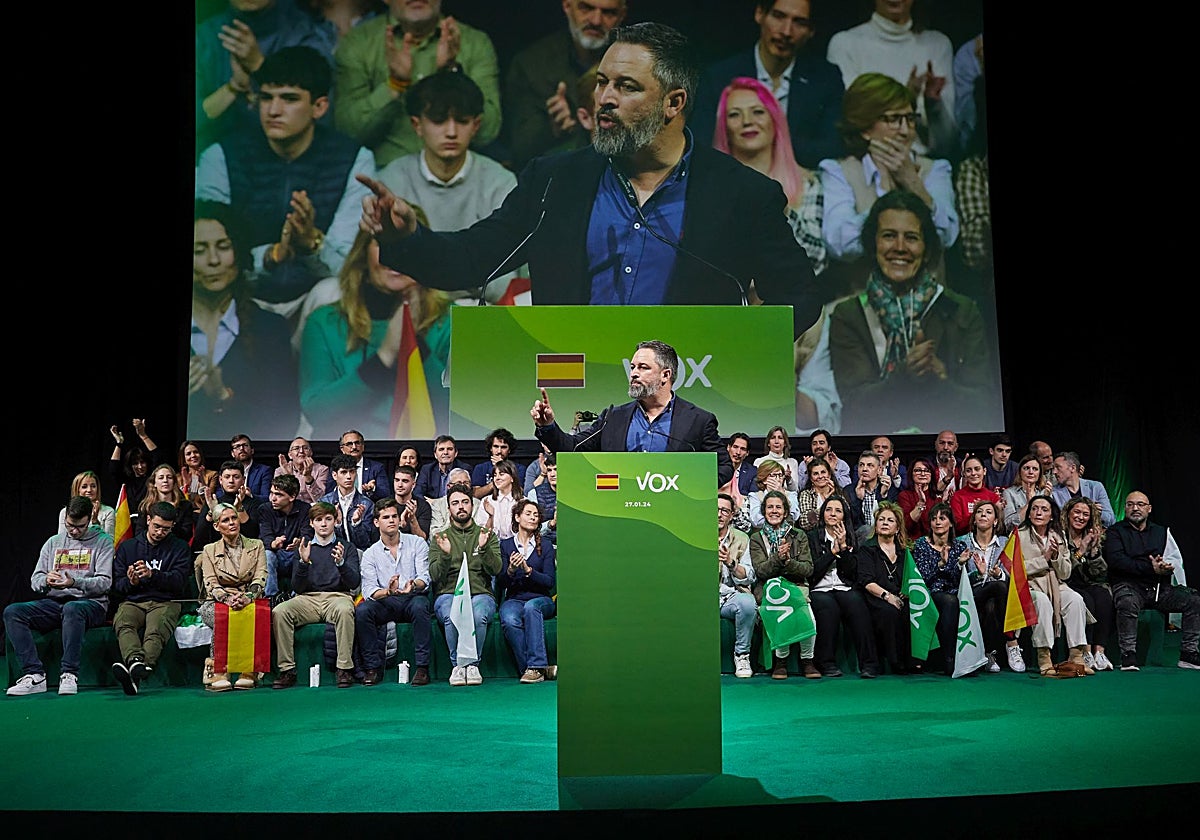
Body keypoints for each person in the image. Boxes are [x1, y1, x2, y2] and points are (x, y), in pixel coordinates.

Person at [358, 21, 822, 341]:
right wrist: (407, 238)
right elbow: (471, 260)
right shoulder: (555, 182)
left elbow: (800, 295)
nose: (604, 99)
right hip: (573, 405)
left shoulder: (742, 195)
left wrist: (741, 348)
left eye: (626, 87)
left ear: (674, 102)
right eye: (602, 82)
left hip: (691, 419)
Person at [196, 43, 376, 310]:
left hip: (312, 299)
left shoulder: (353, 159)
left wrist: (311, 244)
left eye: (289, 99)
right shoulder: (221, 156)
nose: (273, 111)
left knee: (335, 291)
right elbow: (207, 259)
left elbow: (349, 265)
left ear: (320, 107)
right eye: (266, 98)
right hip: (241, 297)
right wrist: (271, 255)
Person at [824, 191, 994, 434]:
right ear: (873, 245)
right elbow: (855, 404)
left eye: (911, 237)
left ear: (926, 249)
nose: (900, 248)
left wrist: (941, 382)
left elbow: (984, 405)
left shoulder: (962, 310)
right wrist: (903, 377)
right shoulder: (849, 315)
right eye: (889, 236)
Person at [376, 70, 520, 298]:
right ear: (417, 125)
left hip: (478, 311)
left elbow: (506, 281)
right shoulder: (392, 180)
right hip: (406, 306)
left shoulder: (500, 183)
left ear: (476, 125)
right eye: (438, 120)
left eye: (461, 121)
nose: (451, 132)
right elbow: (378, 269)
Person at [298, 225, 453, 438]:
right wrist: (385, 355)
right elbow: (318, 411)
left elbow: (459, 417)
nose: (395, 254)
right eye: (383, 243)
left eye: (407, 243)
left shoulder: (448, 322)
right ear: (363, 255)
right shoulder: (324, 323)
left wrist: (416, 345)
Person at [531, 339, 735, 488]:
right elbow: (572, 449)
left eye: (643, 367)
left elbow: (724, 467)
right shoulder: (612, 418)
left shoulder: (698, 420)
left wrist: (692, 487)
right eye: (632, 367)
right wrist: (547, 426)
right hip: (619, 514)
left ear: (665, 375)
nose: (634, 373)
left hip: (675, 518)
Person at [334, 0, 502, 168]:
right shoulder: (357, 43)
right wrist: (395, 85)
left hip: (457, 177)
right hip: (384, 177)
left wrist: (451, 74)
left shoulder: (474, 43)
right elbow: (348, 134)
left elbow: (487, 133)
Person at [190, 200, 299, 440]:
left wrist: (222, 396)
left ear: (238, 252)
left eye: (223, 246)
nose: (213, 260)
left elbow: (284, 422)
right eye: (199, 250)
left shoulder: (270, 329)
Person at [693, 0, 843, 170]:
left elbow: (832, 146)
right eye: (778, 16)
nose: (786, 31)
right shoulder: (719, 76)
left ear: (811, 31)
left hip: (801, 182)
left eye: (799, 22)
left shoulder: (825, 79)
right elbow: (701, 144)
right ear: (760, 14)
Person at [710, 76, 826, 276]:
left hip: (787, 298)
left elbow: (816, 257)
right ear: (724, 128)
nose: (747, 122)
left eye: (758, 112)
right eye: (735, 115)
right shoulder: (709, 186)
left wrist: (780, 208)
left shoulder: (808, 183)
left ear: (775, 119)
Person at [195, 0, 338, 159]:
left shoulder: (307, 35)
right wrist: (233, 87)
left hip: (290, 163)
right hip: (215, 163)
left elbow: (322, 121)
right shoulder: (204, 37)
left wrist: (259, 67)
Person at [5, 497, 113, 697]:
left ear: (89, 520)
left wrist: (74, 582)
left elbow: (105, 583)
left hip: (91, 604)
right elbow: (35, 579)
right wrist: (46, 580)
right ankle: (34, 675)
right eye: (70, 525)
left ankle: (69, 673)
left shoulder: (103, 542)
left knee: (72, 609)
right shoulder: (53, 542)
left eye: (80, 527)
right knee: (13, 612)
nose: (74, 531)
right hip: (55, 602)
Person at [825, 0, 957, 159]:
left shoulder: (937, 45)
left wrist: (933, 104)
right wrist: (907, 100)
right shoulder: (845, 44)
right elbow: (853, 124)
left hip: (924, 166)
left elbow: (948, 145)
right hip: (866, 163)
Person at [505, 0, 627, 169]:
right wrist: (551, 129)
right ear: (567, 6)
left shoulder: (634, 62)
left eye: (608, 13)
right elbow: (518, 149)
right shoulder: (532, 63)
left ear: (621, 15)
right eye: (586, 8)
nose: (596, 20)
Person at [1103, 491, 1200, 672]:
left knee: (1193, 599)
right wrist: (1150, 567)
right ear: (1125, 508)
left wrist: (1166, 567)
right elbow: (1117, 562)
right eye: (1130, 504)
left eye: (1140, 504)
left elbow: (1174, 558)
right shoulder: (1115, 532)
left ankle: (1189, 653)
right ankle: (1128, 655)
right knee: (1126, 601)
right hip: (1128, 586)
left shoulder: (1162, 532)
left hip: (1158, 588)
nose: (1135, 508)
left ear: (1149, 509)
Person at [271, 501, 362, 689]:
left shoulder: (347, 547)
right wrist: (303, 563)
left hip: (338, 597)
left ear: (335, 521)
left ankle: (344, 668)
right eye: (318, 520)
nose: (323, 524)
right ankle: (287, 670)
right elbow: (297, 586)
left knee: (346, 610)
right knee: (280, 611)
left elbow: (354, 583)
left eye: (328, 519)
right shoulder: (304, 548)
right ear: (311, 523)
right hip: (308, 599)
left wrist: (341, 564)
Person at [110, 502, 192, 696]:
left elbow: (180, 583)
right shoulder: (128, 547)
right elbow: (117, 586)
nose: (160, 532)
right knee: (123, 621)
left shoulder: (179, 548)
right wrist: (132, 582)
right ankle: (136, 663)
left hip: (165, 601)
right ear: (148, 520)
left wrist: (153, 575)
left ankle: (137, 668)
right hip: (134, 600)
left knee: (156, 629)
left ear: (172, 526)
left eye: (166, 529)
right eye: (157, 526)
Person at [428, 484, 502, 686]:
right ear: (448, 508)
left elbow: (496, 569)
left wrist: (484, 548)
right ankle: (458, 666)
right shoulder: (440, 537)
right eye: (455, 503)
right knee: (453, 615)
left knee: (478, 615)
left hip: (480, 593)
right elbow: (434, 575)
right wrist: (444, 555)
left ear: (472, 505)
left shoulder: (487, 534)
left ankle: (473, 665)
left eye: (464, 502)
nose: (460, 507)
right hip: (448, 593)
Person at [353, 498, 433, 686]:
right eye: (386, 517)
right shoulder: (370, 554)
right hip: (386, 601)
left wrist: (412, 585)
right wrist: (388, 592)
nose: (391, 520)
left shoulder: (417, 543)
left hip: (412, 597)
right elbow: (369, 591)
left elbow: (425, 578)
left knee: (421, 606)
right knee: (363, 611)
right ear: (376, 522)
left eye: (394, 516)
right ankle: (372, 668)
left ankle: (422, 668)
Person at [1016, 496, 1094, 677]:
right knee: (1042, 602)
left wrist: (1057, 556)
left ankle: (1077, 656)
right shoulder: (1019, 535)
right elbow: (1016, 569)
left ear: (1052, 516)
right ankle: (1044, 658)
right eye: (1035, 509)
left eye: (1044, 509)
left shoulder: (1058, 536)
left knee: (1076, 600)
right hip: (1030, 585)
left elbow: (1065, 573)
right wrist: (1043, 559)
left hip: (1055, 584)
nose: (1038, 513)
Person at [196, 502, 269, 692]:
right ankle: (218, 670)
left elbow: (261, 577)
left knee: (255, 612)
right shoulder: (209, 550)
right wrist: (227, 599)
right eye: (225, 520)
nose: (231, 523)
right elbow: (211, 583)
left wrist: (248, 597)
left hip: (248, 597)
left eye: (234, 518)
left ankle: (248, 670)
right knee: (222, 615)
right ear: (216, 526)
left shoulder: (257, 545)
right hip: (219, 600)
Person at [806, 495, 879, 678]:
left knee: (857, 604)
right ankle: (826, 663)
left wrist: (844, 547)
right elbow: (812, 571)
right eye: (829, 509)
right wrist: (832, 553)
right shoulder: (813, 537)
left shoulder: (852, 537)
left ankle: (869, 664)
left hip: (844, 586)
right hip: (819, 588)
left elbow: (853, 572)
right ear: (823, 514)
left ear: (844, 516)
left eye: (838, 510)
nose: (833, 514)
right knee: (828, 607)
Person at [749, 489, 817, 679]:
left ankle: (807, 660)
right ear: (764, 512)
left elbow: (807, 569)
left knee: (809, 618)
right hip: (769, 589)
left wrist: (788, 562)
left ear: (786, 512)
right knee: (780, 611)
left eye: (778, 507)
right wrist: (778, 558)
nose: (774, 511)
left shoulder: (799, 535)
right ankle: (781, 662)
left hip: (795, 586)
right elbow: (761, 571)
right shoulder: (756, 538)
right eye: (769, 507)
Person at [497, 499, 558, 683]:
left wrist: (528, 570)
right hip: (515, 599)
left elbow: (549, 581)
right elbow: (501, 582)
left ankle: (535, 665)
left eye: (536, 515)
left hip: (541, 600)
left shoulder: (546, 545)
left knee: (531, 607)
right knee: (508, 617)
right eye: (528, 513)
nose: (533, 517)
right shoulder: (506, 545)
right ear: (517, 517)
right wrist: (510, 571)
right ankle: (535, 669)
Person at [910, 501, 966, 674]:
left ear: (951, 522)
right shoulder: (921, 545)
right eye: (934, 519)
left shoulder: (960, 547)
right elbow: (923, 577)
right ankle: (949, 658)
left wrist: (958, 565)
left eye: (942, 518)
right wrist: (941, 564)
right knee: (949, 601)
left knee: (955, 599)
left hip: (955, 592)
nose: (937, 522)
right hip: (928, 593)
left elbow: (958, 581)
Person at [955, 499, 1010, 673]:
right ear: (974, 519)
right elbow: (957, 578)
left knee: (992, 604)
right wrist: (977, 573)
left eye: (988, 512)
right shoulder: (962, 542)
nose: (983, 515)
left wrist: (998, 574)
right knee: (999, 588)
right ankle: (1010, 641)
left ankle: (988, 654)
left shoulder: (1004, 542)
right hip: (971, 593)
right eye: (979, 512)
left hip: (995, 596)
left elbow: (1010, 574)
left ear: (995, 521)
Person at [1061, 497, 1115, 673]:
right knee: (1086, 601)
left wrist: (1092, 553)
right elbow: (1064, 571)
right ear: (1068, 514)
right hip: (1066, 584)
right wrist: (1080, 551)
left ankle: (1100, 652)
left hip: (1088, 582)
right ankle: (1086, 651)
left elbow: (1100, 574)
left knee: (1104, 597)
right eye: (1077, 512)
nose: (1080, 517)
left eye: (1085, 514)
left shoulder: (1094, 536)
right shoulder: (1059, 535)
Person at [857, 501, 910, 674]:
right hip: (875, 596)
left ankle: (913, 660)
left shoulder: (905, 551)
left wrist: (906, 592)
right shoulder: (867, 549)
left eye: (890, 520)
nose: (885, 523)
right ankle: (894, 662)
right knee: (889, 611)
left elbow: (911, 577)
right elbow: (866, 581)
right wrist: (888, 596)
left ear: (897, 528)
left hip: (899, 595)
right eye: (881, 519)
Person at [716, 492, 756, 678]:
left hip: (729, 596)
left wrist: (731, 563)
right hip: (701, 596)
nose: (719, 514)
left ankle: (742, 655)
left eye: (724, 510)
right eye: (715, 510)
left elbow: (749, 576)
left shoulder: (741, 538)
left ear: (732, 515)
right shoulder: (695, 535)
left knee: (747, 603)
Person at [259, 473, 315, 599]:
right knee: (267, 554)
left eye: (278, 495)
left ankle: (297, 595)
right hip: (276, 553)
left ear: (292, 497)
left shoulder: (304, 509)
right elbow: (264, 535)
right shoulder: (265, 509)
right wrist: (273, 543)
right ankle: (271, 597)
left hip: (294, 555)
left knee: (303, 552)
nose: (273, 498)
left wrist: (300, 542)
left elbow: (308, 534)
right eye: (272, 493)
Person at [194, 460, 266, 547]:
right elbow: (199, 537)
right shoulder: (213, 502)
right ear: (220, 480)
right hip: (216, 552)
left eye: (236, 477)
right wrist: (212, 511)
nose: (231, 481)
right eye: (227, 477)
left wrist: (239, 508)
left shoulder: (253, 503)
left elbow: (253, 535)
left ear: (243, 480)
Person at [318, 453, 376, 554]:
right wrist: (337, 524)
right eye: (344, 472)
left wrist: (356, 523)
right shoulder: (325, 502)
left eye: (352, 472)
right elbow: (322, 538)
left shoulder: (367, 504)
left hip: (360, 554)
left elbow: (366, 542)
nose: (349, 476)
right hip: (332, 553)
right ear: (335, 475)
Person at [1050, 451, 1116, 528]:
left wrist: (1096, 513)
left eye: (1058, 467)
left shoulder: (1095, 487)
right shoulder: (1054, 493)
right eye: (1053, 468)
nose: (1054, 472)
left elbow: (1111, 520)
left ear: (1073, 468)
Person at [734, 459, 800, 533]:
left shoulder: (791, 495)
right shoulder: (755, 496)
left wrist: (782, 494)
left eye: (780, 475)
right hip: (762, 539)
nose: (778, 479)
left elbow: (794, 516)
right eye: (774, 475)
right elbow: (757, 521)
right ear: (764, 479)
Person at [136, 465, 197, 544]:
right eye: (161, 478)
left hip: (175, 548)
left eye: (169, 477)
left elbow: (187, 534)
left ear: (174, 482)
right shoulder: (146, 506)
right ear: (154, 483)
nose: (165, 480)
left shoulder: (185, 505)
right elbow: (139, 533)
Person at [108, 420, 158, 513]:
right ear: (130, 465)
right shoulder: (127, 482)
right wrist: (119, 443)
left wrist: (143, 435)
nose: (140, 466)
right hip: (128, 523)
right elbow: (113, 468)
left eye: (142, 462)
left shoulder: (152, 479)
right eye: (135, 463)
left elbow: (156, 455)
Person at [847, 450, 898, 542]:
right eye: (861, 465)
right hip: (859, 540)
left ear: (879, 470)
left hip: (884, 536)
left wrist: (883, 496)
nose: (864, 469)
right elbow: (851, 523)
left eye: (870, 465)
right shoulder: (849, 491)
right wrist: (858, 500)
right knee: (866, 529)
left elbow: (893, 520)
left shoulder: (890, 490)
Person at [948, 454, 1000, 534]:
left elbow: (998, 525)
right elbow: (957, 527)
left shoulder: (993, 497)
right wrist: (975, 512)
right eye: (968, 470)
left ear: (984, 471)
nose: (973, 473)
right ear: (964, 474)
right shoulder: (957, 496)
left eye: (977, 469)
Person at [471, 428, 527, 499]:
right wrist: (496, 482)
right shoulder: (480, 468)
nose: (499, 451)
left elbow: (520, 492)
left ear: (509, 450)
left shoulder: (519, 468)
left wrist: (503, 467)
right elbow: (476, 495)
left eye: (503, 447)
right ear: (491, 448)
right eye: (496, 446)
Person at [337, 429, 393, 501]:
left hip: (368, 509)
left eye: (357, 443)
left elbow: (386, 494)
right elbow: (329, 493)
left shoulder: (377, 468)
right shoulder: (336, 468)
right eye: (349, 444)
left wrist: (372, 490)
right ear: (342, 449)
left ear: (363, 446)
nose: (354, 447)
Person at [57, 471, 116, 538]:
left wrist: (95, 522)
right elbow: (61, 539)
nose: (89, 490)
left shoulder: (108, 511)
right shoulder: (65, 512)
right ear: (77, 489)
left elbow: (109, 541)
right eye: (84, 487)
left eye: (93, 486)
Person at [1001, 453, 1051, 532]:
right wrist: (1028, 504)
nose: (1030, 472)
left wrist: (1047, 499)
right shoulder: (1009, 493)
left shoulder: (1045, 493)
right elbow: (1008, 526)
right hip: (1020, 537)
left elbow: (1052, 522)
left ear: (1039, 473)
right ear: (1020, 472)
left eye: (1035, 469)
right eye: (1026, 468)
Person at [475, 460, 522, 541]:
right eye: (495, 475)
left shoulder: (523, 502)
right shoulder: (487, 501)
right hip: (493, 545)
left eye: (501, 474)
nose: (497, 478)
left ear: (512, 478)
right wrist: (491, 517)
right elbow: (482, 532)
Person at [274, 436, 330, 504]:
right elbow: (278, 498)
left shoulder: (322, 470)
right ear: (290, 455)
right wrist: (289, 477)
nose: (301, 451)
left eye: (305, 448)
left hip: (313, 510)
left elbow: (321, 499)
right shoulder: (280, 471)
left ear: (311, 453)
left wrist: (308, 477)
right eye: (296, 448)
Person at [796, 457, 846, 532]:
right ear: (811, 478)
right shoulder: (806, 494)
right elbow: (804, 522)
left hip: (837, 532)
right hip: (814, 536)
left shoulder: (838, 492)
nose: (820, 476)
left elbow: (846, 516)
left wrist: (832, 497)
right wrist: (826, 504)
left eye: (823, 472)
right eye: (815, 474)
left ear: (829, 475)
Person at [416, 434, 471, 500]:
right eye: (441, 449)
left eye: (449, 449)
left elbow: (468, 494)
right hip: (431, 507)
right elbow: (417, 493)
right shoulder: (427, 470)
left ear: (456, 453)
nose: (445, 452)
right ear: (435, 454)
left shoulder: (464, 469)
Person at [427, 467, 478, 534]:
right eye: (458, 483)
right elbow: (434, 533)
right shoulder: (438, 504)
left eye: (466, 483)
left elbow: (479, 529)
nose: (462, 486)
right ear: (449, 486)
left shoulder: (477, 503)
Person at [896, 455, 935, 541]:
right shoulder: (904, 495)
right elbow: (905, 526)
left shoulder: (936, 497)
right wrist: (920, 505)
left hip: (934, 542)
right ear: (911, 474)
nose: (923, 474)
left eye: (927, 471)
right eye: (918, 470)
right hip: (911, 543)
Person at [753, 425, 802, 492]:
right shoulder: (759, 462)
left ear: (785, 443)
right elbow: (756, 487)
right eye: (773, 438)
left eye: (780, 438)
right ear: (768, 443)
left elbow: (795, 490)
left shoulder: (792, 462)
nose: (776, 441)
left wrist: (788, 479)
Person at [392, 463, 432, 541]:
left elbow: (422, 539)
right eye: (397, 480)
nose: (400, 485)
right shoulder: (384, 505)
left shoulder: (423, 506)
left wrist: (412, 518)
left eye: (405, 481)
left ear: (413, 485)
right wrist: (400, 525)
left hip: (415, 548)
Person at [525, 453, 558, 546]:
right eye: (549, 470)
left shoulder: (574, 492)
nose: (552, 474)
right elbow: (530, 527)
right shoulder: (534, 493)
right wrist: (551, 523)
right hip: (544, 546)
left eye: (556, 469)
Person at [230, 434, 274, 500]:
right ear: (232, 453)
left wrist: (250, 495)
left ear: (252, 450)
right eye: (237, 446)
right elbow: (219, 494)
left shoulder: (264, 470)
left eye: (245, 445)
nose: (242, 449)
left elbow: (267, 497)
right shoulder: (226, 471)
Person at [178, 440, 218, 513]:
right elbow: (179, 501)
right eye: (188, 454)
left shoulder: (212, 475)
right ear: (184, 460)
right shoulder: (178, 478)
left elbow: (210, 501)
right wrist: (187, 485)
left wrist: (202, 482)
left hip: (204, 514)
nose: (193, 455)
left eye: (196, 452)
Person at [720, 431, 758, 503]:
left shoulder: (753, 472)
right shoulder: (717, 468)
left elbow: (753, 496)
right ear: (728, 447)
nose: (738, 452)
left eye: (743, 449)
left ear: (747, 453)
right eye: (735, 447)